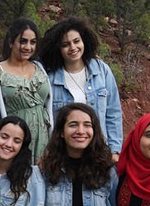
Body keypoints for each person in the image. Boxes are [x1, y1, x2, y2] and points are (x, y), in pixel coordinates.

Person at [39, 18, 124, 159]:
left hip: (98, 152)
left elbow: (113, 112)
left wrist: (114, 151)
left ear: (84, 41)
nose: (73, 47)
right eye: (66, 44)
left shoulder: (101, 70)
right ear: (57, 48)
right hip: (62, 154)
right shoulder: (49, 78)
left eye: (76, 41)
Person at [0, 19, 52, 160]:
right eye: (23, 41)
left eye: (33, 42)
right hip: (14, 141)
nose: (28, 47)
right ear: (11, 42)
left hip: (44, 140)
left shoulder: (40, 67)